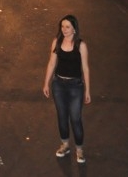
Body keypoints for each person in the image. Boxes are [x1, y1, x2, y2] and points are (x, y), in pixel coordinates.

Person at [43, 14, 91, 165]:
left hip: (76, 86)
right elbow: (51, 63)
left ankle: (79, 149)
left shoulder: (80, 45)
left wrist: (87, 90)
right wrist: (46, 83)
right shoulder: (56, 42)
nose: (64, 29)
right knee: (62, 117)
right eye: (62, 26)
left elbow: (85, 68)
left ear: (74, 28)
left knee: (75, 118)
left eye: (67, 27)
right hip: (58, 85)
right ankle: (65, 145)